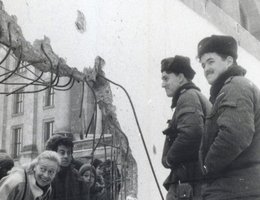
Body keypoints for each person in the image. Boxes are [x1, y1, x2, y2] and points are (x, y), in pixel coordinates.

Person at [197, 35, 260, 199]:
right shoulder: (232, 88)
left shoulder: (235, 86)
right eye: (203, 65)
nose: (206, 69)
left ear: (229, 61)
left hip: (234, 190)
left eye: (211, 61)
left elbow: (236, 134)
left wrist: (206, 166)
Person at [160, 55, 211, 200]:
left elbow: (192, 133)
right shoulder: (193, 96)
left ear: (181, 78)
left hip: (189, 183)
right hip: (193, 181)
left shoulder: (187, 97)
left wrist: (169, 159)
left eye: (166, 78)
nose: (163, 84)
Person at [45, 133, 85, 200]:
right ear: (54, 154)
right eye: (62, 153)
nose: (66, 156)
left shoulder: (77, 176)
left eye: (69, 153)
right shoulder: (46, 175)